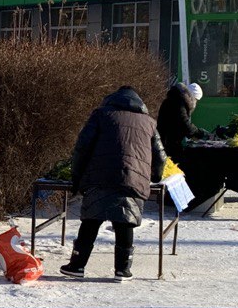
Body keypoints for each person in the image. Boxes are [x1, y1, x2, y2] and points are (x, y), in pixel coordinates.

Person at [61, 87, 167, 281]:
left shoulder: (101, 115)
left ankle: (77, 266)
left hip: (100, 176)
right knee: (125, 221)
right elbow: (160, 155)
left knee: (91, 221)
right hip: (133, 178)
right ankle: (122, 269)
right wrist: (157, 176)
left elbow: (82, 147)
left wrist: (76, 178)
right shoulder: (149, 122)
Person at [156, 81, 206, 159]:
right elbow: (184, 122)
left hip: (167, 140)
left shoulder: (174, 99)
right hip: (169, 142)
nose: (195, 102)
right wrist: (197, 132)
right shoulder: (179, 103)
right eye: (196, 99)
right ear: (191, 97)